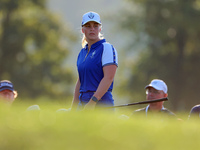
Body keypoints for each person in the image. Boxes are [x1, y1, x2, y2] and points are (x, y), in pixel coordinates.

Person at [71, 11, 118, 111]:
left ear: (100, 29)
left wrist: (93, 102)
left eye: (95, 26)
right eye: (88, 26)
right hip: (83, 102)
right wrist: (74, 107)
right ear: (83, 30)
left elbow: (108, 78)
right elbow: (80, 80)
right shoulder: (82, 52)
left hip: (102, 103)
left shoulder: (107, 48)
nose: (92, 29)